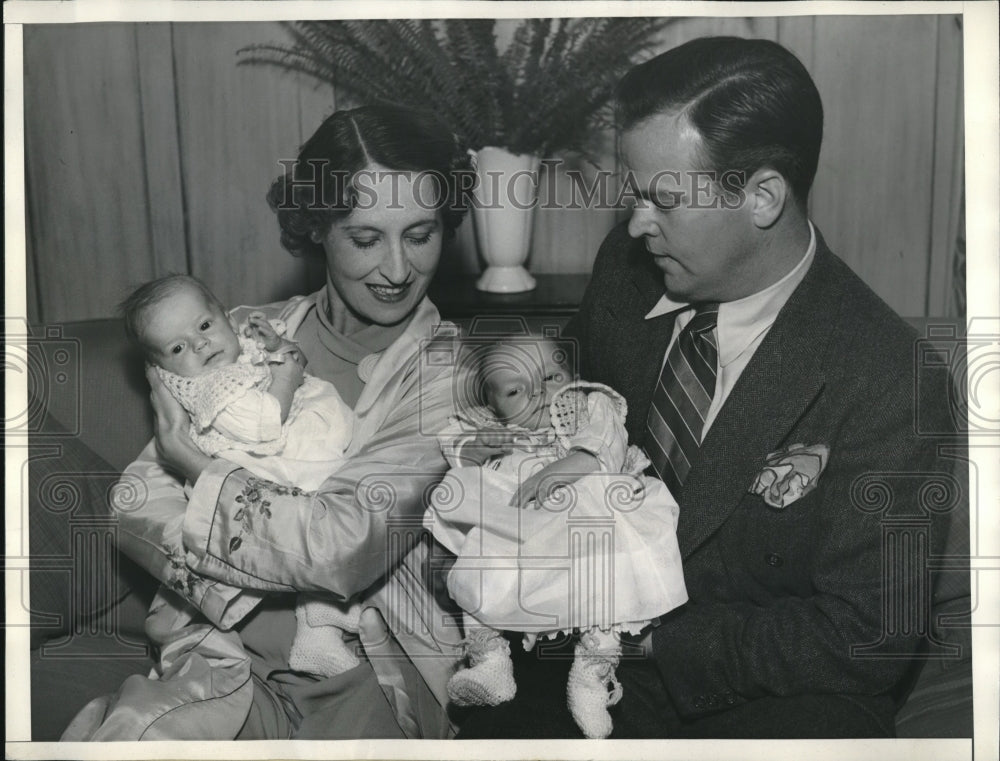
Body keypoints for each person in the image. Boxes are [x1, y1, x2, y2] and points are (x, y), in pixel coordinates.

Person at [457, 36, 958, 739]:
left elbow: (867, 635)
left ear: (761, 197)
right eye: (635, 195)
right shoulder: (627, 273)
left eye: (665, 200)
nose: (636, 224)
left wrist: (647, 635)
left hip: (763, 698)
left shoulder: (891, 378)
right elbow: (565, 415)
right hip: (577, 662)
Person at [62, 104, 475, 740]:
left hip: (367, 681)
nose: (397, 270)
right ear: (316, 227)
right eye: (366, 239)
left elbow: (342, 549)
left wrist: (197, 467)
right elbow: (133, 503)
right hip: (219, 659)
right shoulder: (235, 333)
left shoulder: (448, 375)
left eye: (420, 235)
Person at [424, 337, 687, 737]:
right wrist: (478, 449)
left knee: (608, 587)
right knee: (478, 569)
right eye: (515, 391)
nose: (539, 393)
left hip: (590, 505)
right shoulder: (495, 427)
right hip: (520, 520)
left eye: (551, 376)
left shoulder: (587, 404)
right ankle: (490, 661)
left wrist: (573, 462)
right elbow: (454, 448)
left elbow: (606, 440)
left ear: (572, 376)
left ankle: (591, 676)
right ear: (495, 406)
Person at [120, 274, 363, 679]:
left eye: (204, 326)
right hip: (265, 465)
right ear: (163, 372)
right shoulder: (214, 390)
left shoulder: (235, 355)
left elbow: (272, 354)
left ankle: (325, 619)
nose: (199, 344)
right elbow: (264, 425)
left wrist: (270, 342)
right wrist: (286, 375)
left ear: (226, 318)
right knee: (305, 530)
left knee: (326, 522)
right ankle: (316, 631)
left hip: (294, 454)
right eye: (178, 347)